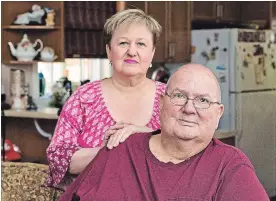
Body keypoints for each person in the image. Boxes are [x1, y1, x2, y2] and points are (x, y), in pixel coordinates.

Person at [58, 64, 269, 201]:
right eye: (179, 96)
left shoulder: (230, 165)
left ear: (218, 113)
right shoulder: (119, 148)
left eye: (203, 100)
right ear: (161, 103)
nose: (189, 108)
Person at [46, 9, 166, 189]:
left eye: (141, 44)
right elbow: (58, 158)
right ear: (109, 51)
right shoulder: (84, 97)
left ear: (152, 53)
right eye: (123, 43)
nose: (132, 51)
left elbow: (185, 152)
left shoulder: (171, 98)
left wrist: (144, 137)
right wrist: (110, 151)